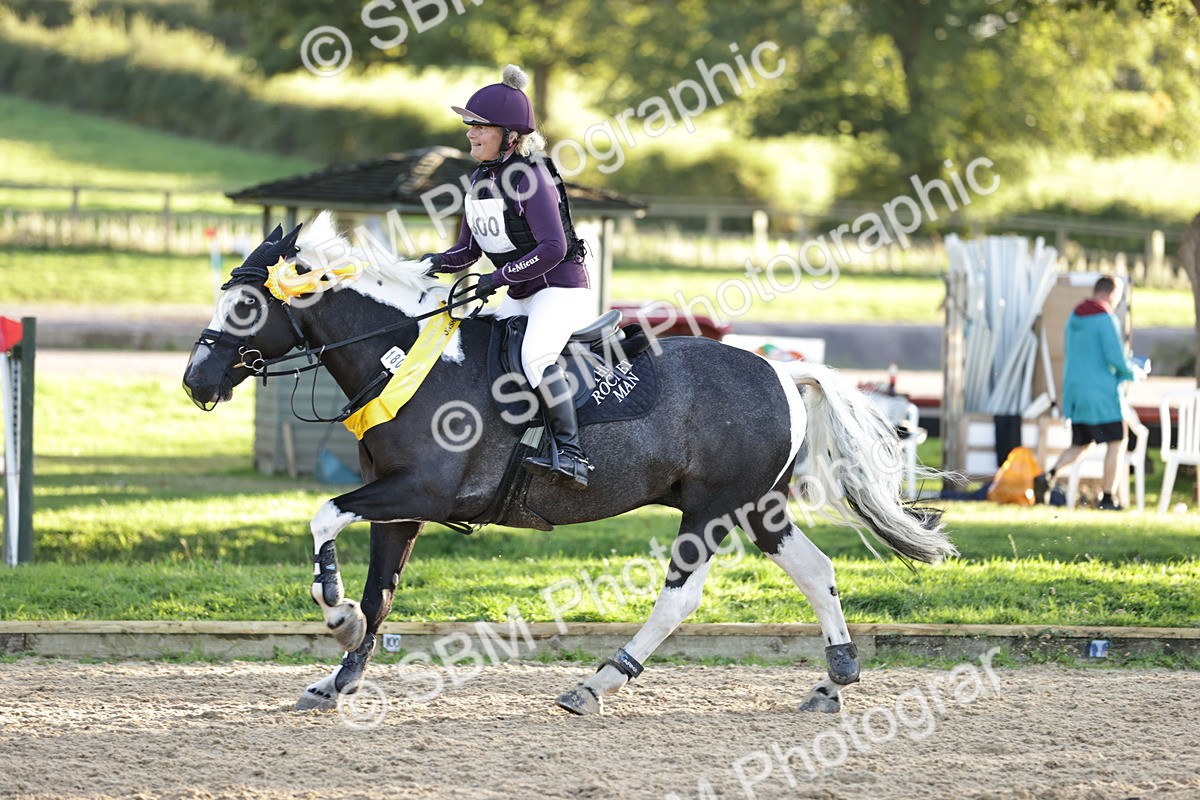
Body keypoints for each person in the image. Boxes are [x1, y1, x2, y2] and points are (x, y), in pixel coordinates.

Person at [422, 64, 596, 490]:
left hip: (560, 289)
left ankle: (572, 455)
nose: (470, 134)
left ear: (510, 136)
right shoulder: (480, 180)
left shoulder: (532, 179)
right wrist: (429, 263)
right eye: (470, 127)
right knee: (483, 357)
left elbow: (553, 248)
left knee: (535, 359)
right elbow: (467, 250)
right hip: (520, 290)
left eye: (480, 128)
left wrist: (496, 279)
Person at [1036, 275, 1138, 510]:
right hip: (1102, 394)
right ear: (1112, 293)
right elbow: (1115, 358)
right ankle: (1108, 497)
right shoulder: (1105, 318)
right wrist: (1133, 372)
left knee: (1081, 443)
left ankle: (1048, 476)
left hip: (1077, 393)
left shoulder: (1074, 316)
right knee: (1117, 441)